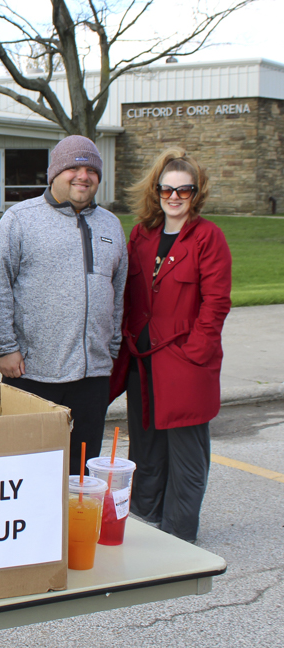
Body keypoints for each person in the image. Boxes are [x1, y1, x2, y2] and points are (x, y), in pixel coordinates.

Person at [0, 135, 127, 475]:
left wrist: (112, 346)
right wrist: (5, 347)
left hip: (92, 374)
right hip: (32, 372)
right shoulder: (20, 219)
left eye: (92, 170)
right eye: (73, 168)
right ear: (54, 174)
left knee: (81, 472)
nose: (83, 176)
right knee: (26, 469)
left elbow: (119, 289)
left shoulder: (111, 224)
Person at [111, 148, 231, 543]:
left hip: (184, 362)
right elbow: (130, 295)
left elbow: (216, 303)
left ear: (197, 193)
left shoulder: (207, 237)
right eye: (167, 190)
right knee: (146, 446)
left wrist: (196, 351)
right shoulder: (141, 234)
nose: (174, 197)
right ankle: (147, 519)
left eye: (184, 190)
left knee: (185, 454)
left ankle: (180, 533)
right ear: (156, 192)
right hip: (143, 360)